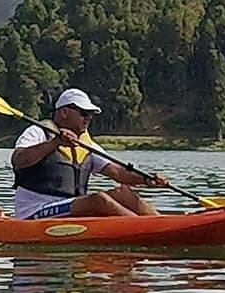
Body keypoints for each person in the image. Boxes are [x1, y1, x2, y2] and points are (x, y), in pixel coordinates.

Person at [9, 88, 169, 218]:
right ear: (64, 112)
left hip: (70, 207)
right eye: (84, 113)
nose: (88, 118)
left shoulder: (86, 144)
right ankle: (144, 229)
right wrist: (55, 143)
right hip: (34, 210)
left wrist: (147, 179)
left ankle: (163, 222)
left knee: (123, 192)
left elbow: (118, 172)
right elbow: (18, 160)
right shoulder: (38, 132)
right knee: (97, 199)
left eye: (91, 115)